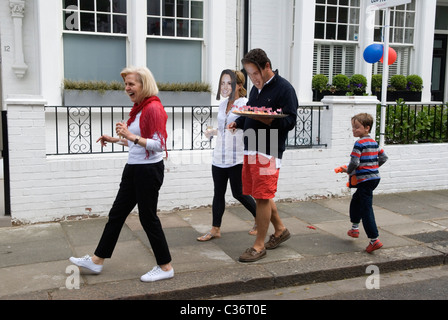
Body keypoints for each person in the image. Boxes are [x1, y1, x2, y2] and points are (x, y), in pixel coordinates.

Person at [69, 66, 174, 282]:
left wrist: (129, 135)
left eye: (131, 84)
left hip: (148, 171)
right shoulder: (139, 108)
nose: (127, 88)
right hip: (134, 168)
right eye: (126, 84)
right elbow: (137, 141)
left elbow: (159, 145)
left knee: (148, 218)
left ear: (143, 85)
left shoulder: (153, 108)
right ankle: (97, 261)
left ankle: (165, 267)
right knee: (117, 214)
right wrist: (116, 139)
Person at [228, 49, 298, 262]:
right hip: (252, 147)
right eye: (249, 74)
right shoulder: (256, 89)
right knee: (260, 194)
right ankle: (280, 230)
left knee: (263, 195)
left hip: (268, 150)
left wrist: (271, 121)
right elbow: (251, 110)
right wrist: (238, 122)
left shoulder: (285, 89)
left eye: (255, 73)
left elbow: (290, 121)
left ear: (267, 66)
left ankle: (259, 246)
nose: (252, 79)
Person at [197, 70, 257, 242]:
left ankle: (260, 219)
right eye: (223, 83)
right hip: (219, 156)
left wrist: (238, 126)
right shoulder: (223, 105)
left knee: (239, 193)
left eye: (229, 83)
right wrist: (213, 132)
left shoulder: (245, 103)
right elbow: (225, 129)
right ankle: (215, 229)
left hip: (236, 156)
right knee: (218, 193)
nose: (225, 86)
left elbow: (248, 126)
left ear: (239, 85)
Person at [342, 113, 388, 253]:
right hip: (374, 178)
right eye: (353, 127)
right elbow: (384, 157)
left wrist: (348, 171)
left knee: (366, 209)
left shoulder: (359, 143)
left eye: (357, 127)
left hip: (365, 180)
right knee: (356, 200)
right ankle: (355, 228)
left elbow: (354, 162)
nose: (354, 130)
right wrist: (373, 167)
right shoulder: (374, 143)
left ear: (367, 128)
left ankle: (374, 240)